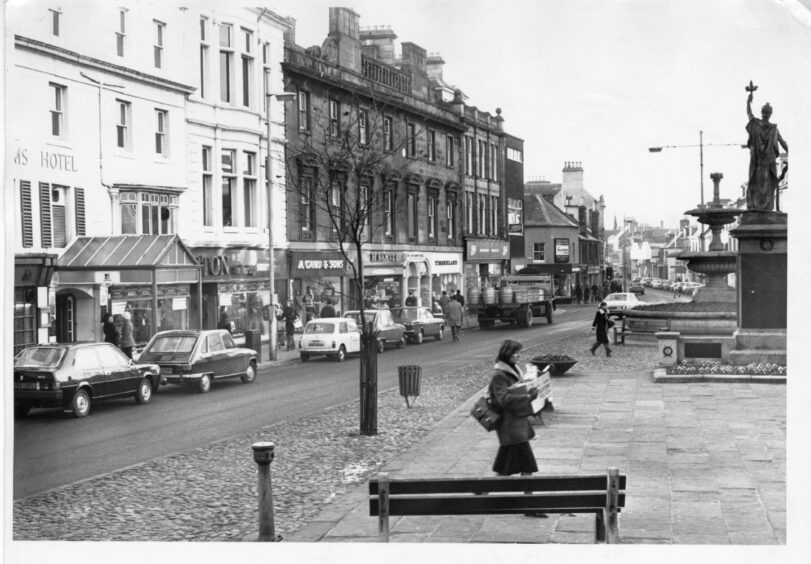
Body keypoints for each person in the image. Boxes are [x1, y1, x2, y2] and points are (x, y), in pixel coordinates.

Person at [488, 339, 539, 481]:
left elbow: (516, 389)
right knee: (526, 465)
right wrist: (527, 396)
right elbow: (503, 399)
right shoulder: (499, 376)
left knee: (505, 466)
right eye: (516, 353)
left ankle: (485, 490)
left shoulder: (513, 370)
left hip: (516, 423)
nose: (519, 356)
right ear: (507, 354)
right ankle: (527, 496)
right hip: (509, 425)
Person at [745, 87, 788, 212]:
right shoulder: (774, 128)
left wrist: (748, 102)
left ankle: (755, 206)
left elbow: (749, 114)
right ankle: (767, 207)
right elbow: (782, 142)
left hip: (757, 163)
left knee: (755, 183)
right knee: (768, 185)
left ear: (762, 112)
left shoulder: (755, 124)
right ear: (770, 114)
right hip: (768, 163)